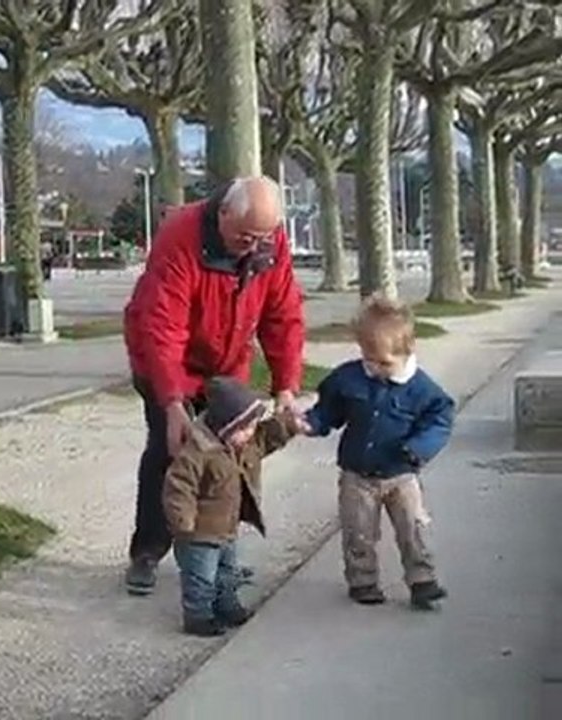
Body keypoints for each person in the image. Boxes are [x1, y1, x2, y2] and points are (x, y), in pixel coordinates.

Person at [122, 175, 305, 595]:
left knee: (231, 456)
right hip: (167, 360)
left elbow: (283, 314)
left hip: (227, 360)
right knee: (169, 452)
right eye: (245, 237)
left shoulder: (270, 242)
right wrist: (172, 403)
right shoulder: (179, 236)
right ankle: (147, 551)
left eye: (262, 238)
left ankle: (219, 555)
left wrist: (286, 386)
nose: (253, 246)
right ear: (222, 213)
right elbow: (163, 326)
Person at [292, 297, 454, 609]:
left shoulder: (422, 389)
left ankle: (422, 579)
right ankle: (362, 580)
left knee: (413, 528)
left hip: (401, 473)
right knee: (358, 531)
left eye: (384, 363)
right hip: (358, 474)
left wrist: (419, 447)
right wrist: (311, 423)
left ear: (407, 351)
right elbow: (329, 410)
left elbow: (440, 420)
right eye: (369, 360)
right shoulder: (349, 378)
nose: (376, 369)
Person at [163, 376, 298, 636]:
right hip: (198, 531)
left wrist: (290, 424)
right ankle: (198, 617)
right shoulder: (198, 452)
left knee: (227, 571)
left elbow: (267, 438)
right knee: (201, 577)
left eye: (252, 426)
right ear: (225, 427)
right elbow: (179, 486)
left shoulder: (242, 445)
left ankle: (226, 605)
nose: (250, 433)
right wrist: (182, 519)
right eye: (244, 428)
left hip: (227, 526)